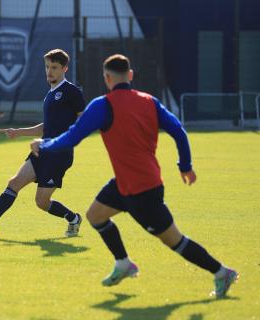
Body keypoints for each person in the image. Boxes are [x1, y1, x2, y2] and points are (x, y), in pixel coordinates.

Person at [30, 54, 238, 298]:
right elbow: (179, 131)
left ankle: (222, 272)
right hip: (126, 183)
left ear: (107, 79)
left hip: (143, 190)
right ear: (130, 76)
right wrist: (185, 165)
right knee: (95, 215)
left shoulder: (102, 105)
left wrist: (45, 145)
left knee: (174, 240)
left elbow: (73, 136)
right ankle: (123, 263)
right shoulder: (150, 101)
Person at [0, 49, 86, 237]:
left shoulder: (71, 91)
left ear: (65, 68)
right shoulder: (50, 94)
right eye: (47, 67)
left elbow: (82, 123)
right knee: (14, 182)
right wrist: (18, 132)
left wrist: (64, 141)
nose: (49, 71)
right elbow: (48, 127)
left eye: (54, 67)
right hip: (42, 149)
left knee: (42, 202)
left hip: (59, 154)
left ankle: (73, 218)